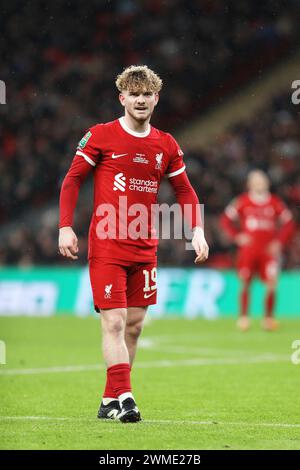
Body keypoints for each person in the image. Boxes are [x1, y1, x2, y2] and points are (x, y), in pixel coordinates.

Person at [58, 65, 209, 423]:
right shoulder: (100, 135)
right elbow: (72, 180)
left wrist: (197, 230)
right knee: (113, 323)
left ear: (156, 99)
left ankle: (109, 401)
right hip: (108, 242)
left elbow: (185, 190)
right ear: (122, 98)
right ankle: (126, 397)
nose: (140, 100)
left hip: (145, 246)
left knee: (135, 326)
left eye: (147, 95)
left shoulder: (165, 143)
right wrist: (65, 227)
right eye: (134, 95)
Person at [221, 170, 295, 332]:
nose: (259, 184)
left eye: (262, 181)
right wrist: (237, 236)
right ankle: (244, 317)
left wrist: (279, 242)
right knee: (245, 282)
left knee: (271, 284)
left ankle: (268, 319)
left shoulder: (275, 203)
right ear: (250, 184)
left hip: (268, 251)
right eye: (256, 181)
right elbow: (226, 220)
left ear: (267, 183)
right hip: (249, 250)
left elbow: (289, 223)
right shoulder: (242, 202)